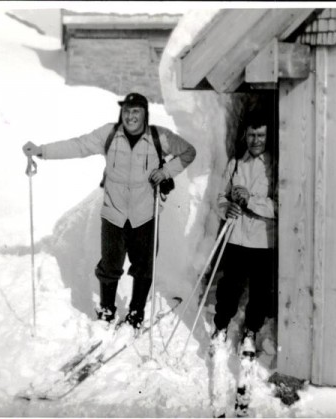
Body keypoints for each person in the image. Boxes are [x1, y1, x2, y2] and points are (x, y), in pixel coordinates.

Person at [22, 93, 196, 330]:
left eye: (136, 111)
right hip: (114, 213)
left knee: (144, 268)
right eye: (127, 111)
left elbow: (188, 152)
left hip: (145, 215)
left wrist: (166, 172)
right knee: (109, 266)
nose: (130, 116)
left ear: (144, 113)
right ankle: (106, 309)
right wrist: (41, 151)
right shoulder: (110, 134)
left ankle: (136, 312)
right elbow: (79, 145)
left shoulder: (159, 137)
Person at [211, 114, 278, 356]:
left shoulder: (275, 165)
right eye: (252, 134)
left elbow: (280, 207)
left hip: (263, 239)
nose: (256, 140)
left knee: (260, 293)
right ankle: (220, 327)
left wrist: (251, 200)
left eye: (261, 135)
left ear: (268, 136)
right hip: (236, 237)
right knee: (229, 288)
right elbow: (220, 196)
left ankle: (250, 332)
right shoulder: (236, 163)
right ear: (245, 135)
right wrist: (225, 207)